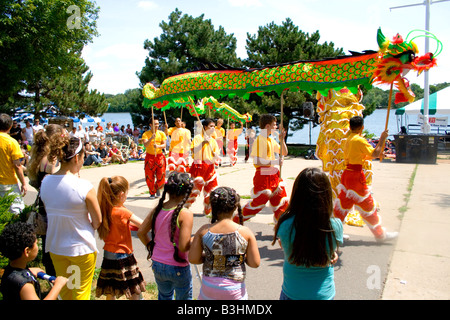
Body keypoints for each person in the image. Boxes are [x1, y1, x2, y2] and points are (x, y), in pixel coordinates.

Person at [40, 136, 102, 300]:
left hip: (56, 246)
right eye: (83, 157)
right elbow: (97, 221)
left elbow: (50, 210)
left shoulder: (45, 182)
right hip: (81, 247)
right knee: (80, 293)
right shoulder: (85, 186)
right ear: (76, 157)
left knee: (65, 291)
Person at [272, 167, 343, 300]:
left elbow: (285, 246)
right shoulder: (335, 225)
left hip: (292, 292)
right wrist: (332, 253)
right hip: (323, 294)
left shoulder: (285, 223)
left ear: (296, 193)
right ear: (326, 194)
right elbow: (329, 249)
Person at [333, 116, 398, 242]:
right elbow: (374, 153)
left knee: (342, 205)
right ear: (362, 127)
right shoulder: (359, 140)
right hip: (356, 176)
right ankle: (380, 235)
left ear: (350, 126)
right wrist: (382, 139)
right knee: (367, 205)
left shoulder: (347, 139)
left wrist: (377, 153)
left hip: (347, 175)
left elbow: (360, 156)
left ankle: (334, 234)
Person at [189, 187, 260, 300]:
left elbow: (193, 258)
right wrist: (239, 258)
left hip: (209, 288)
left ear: (213, 207)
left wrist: (209, 257)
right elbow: (254, 263)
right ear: (236, 207)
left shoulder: (203, 231)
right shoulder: (245, 233)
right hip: (235, 290)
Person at [137, 172, 194, 300]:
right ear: (187, 193)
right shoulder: (185, 214)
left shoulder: (158, 209)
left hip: (157, 263)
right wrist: (196, 240)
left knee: (164, 296)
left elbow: (141, 232)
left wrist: (151, 246)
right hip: (178, 265)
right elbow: (184, 247)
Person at [95, 176, 146, 300]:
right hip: (123, 255)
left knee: (110, 289)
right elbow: (143, 224)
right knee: (134, 289)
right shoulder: (123, 212)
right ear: (121, 194)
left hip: (108, 255)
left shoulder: (105, 209)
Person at [235, 114, 289, 224]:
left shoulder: (270, 139)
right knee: (258, 204)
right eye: (274, 125)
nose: (276, 127)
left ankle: (282, 227)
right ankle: (235, 221)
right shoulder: (260, 140)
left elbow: (284, 152)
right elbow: (257, 162)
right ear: (267, 126)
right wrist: (275, 162)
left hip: (274, 175)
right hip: (263, 175)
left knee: (282, 203)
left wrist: (281, 140)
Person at [26, 124, 64, 276]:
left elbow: (35, 181)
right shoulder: (52, 159)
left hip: (44, 204)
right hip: (54, 206)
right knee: (56, 244)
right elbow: (55, 181)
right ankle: (57, 279)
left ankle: (51, 276)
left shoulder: (39, 155)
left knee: (47, 242)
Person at [0, 222, 68, 300]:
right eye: (36, 243)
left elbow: (16, 273)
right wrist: (57, 286)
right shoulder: (25, 285)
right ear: (27, 251)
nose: (37, 246)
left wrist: (29, 271)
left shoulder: (10, 270)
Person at [185, 118, 220, 216]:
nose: (213, 128)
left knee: (211, 189)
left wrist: (215, 155)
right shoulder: (197, 138)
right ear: (205, 127)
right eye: (211, 126)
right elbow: (194, 151)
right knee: (194, 189)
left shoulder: (213, 140)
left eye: (214, 126)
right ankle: (185, 207)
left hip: (210, 167)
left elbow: (216, 154)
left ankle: (207, 208)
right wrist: (203, 143)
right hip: (199, 166)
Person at [0, 113, 26, 215]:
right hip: (7, 181)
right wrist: (23, 183)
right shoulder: (11, 142)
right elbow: (17, 165)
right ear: (10, 126)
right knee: (17, 212)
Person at [142, 119, 167, 199]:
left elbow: (164, 145)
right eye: (155, 124)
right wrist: (151, 138)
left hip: (159, 156)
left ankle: (158, 188)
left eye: (157, 124)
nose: (156, 125)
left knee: (161, 175)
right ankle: (152, 192)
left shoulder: (161, 133)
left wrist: (158, 146)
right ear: (150, 125)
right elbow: (145, 144)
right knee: (149, 176)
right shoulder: (146, 134)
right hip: (150, 157)